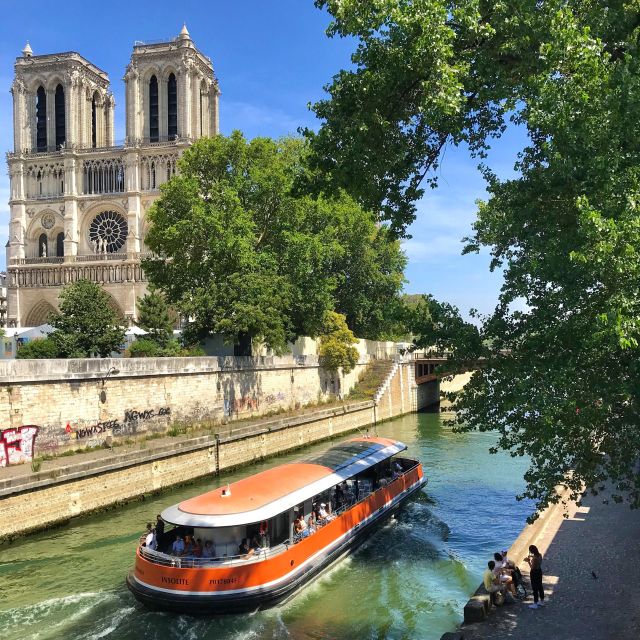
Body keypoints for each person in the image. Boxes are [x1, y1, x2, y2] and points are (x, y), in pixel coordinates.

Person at [525, 544, 545, 609]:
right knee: (540, 586)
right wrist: (531, 557)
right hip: (539, 571)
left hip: (534, 573)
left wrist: (528, 561)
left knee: (534, 587)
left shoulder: (534, 559)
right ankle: (542, 601)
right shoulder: (540, 555)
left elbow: (532, 567)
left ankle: (535, 603)